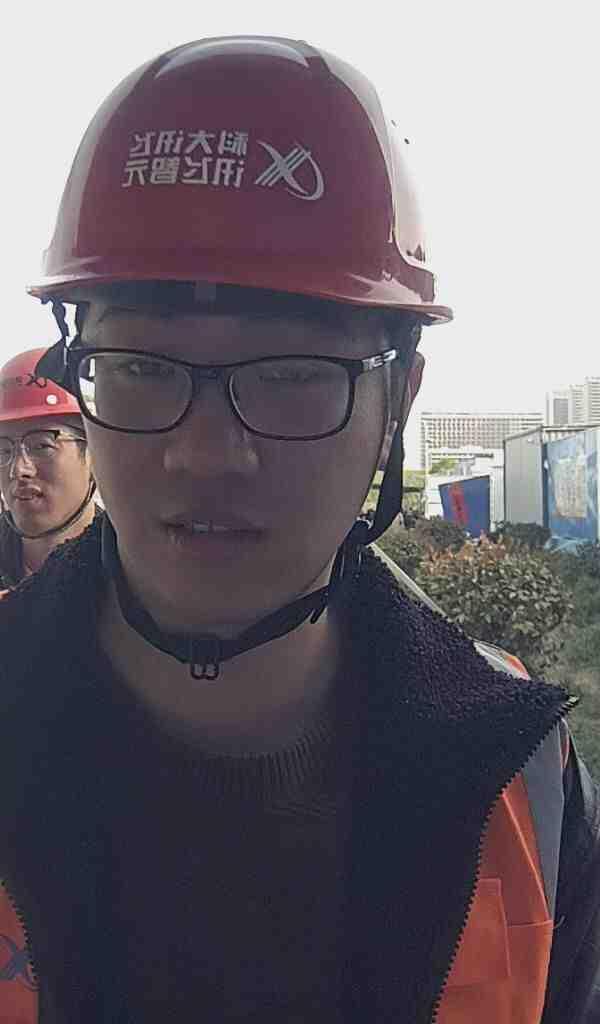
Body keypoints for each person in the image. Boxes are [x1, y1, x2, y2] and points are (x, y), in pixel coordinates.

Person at [0, 37, 597, 1024]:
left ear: (398, 402)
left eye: (290, 375)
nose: (205, 454)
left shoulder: (522, 777)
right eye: (142, 367)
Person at [0, 347, 97, 587]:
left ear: (95, 454)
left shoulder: (131, 572)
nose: (19, 470)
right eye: (3, 450)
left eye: (42, 446)